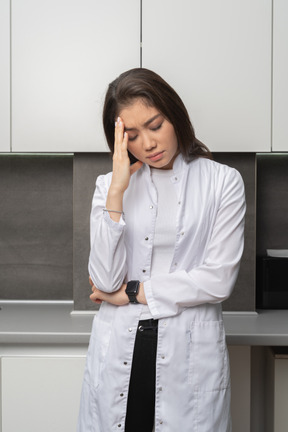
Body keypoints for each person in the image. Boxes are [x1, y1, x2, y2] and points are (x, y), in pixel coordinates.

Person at [77, 68, 246, 432]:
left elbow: (218, 280)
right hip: (119, 347)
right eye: (134, 136)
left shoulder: (222, 182)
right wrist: (117, 193)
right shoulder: (108, 187)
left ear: (175, 115)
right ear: (121, 140)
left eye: (155, 126)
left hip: (187, 352)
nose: (148, 144)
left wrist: (134, 292)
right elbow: (105, 281)